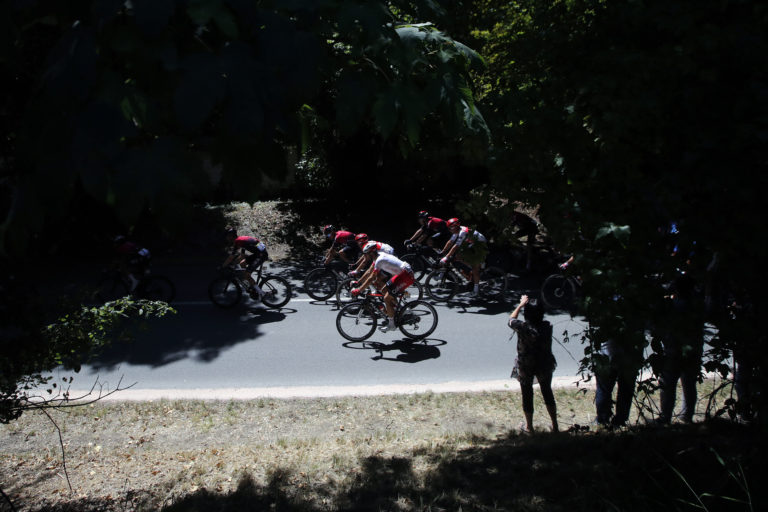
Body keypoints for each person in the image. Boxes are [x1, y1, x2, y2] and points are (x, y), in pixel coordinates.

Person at [508, 295, 559, 433]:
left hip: (526, 365)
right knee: (547, 391)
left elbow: (510, 320)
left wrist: (520, 305)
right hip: (545, 363)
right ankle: (555, 425)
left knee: (527, 394)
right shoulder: (547, 326)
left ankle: (529, 427)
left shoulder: (523, 327)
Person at [351, 241, 415, 333]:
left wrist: (359, 290)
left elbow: (371, 277)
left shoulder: (379, 260)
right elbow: (369, 272)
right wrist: (359, 282)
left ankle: (392, 324)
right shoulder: (378, 257)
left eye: (366, 254)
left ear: (371, 253)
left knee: (386, 298)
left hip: (406, 275)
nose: (364, 256)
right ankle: (399, 308)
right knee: (384, 290)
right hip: (401, 273)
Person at [439, 218, 488, 296]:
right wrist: (442, 252)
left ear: (455, 227)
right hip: (472, 244)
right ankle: (472, 267)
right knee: (458, 255)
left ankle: (475, 291)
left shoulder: (462, 232)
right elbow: (450, 242)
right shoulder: (457, 230)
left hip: (480, 245)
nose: (449, 230)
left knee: (475, 269)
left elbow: (456, 246)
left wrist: (446, 257)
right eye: (449, 228)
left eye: (450, 228)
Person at [222, 226, 269, 299]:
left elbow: (231, 257)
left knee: (247, 274)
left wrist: (223, 266)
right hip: (259, 253)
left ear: (231, 236)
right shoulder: (241, 240)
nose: (226, 238)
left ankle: (262, 293)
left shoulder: (237, 241)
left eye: (227, 236)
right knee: (242, 263)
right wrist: (233, 263)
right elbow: (242, 256)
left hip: (261, 255)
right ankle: (250, 282)